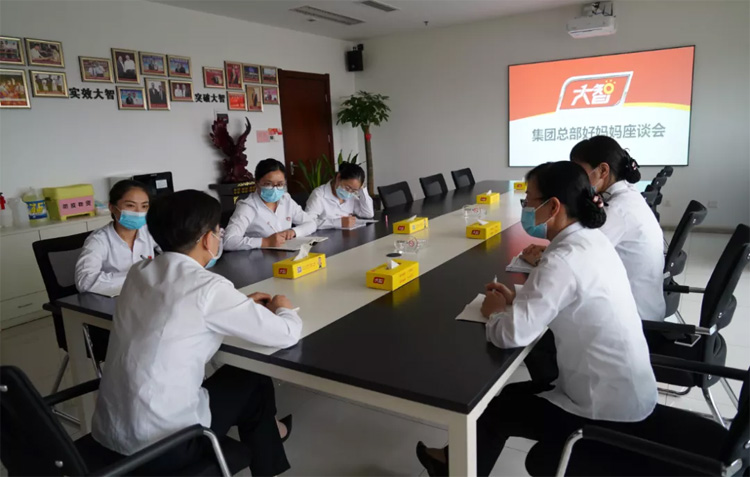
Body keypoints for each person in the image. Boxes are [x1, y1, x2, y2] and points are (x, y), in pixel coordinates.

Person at [416, 161, 657, 476]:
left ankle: (452, 469)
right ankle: (451, 462)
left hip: (603, 410)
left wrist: (495, 312)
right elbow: (566, 298)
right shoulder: (591, 239)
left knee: (501, 408)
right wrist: (518, 299)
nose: (525, 208)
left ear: (553, 206)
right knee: (511, 396)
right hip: (626, 391)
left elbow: (511, 335)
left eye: (528, 201)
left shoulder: (563, 259)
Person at [91, 190, 300, 476]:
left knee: (248, 383)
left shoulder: (138, 271)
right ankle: (270, 453)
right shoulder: (209, 288)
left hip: (110, 432)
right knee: (254, 380)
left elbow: (177, 308)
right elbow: (286, 334)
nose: (220, 236)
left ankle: (273, 437)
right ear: (206, 239)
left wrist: (236, 304)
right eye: (218, 231)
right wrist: (283, 308)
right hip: (166, 445)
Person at [75, 180, 158, 295]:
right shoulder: (98, 240)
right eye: (130, 205)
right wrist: (137, 276)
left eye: (144, 206)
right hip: (114, 300)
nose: (139, 212)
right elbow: (84, 281)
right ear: (112, 207)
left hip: (147, 295)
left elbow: (177, 252)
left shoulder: (149, 231)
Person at [224, 158, 316, 250]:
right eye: (268, 184)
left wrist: (294, 232)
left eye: (280, 184)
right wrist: (264, 242)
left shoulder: (285, 199)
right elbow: (228, 241)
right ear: (256, 183)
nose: (275, 189)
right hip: (259, 256)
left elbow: (311, 223)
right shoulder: (248, 207)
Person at [305, 162, 374, 229]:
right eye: (347, 188)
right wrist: (338, 223)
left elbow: (368, 213)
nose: (349, 193)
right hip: (324, 235)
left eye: (353, 190)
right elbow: (307, 222)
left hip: (346, 234)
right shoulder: (319, 195)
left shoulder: (351, 196)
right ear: (338, 177)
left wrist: (362, 189)